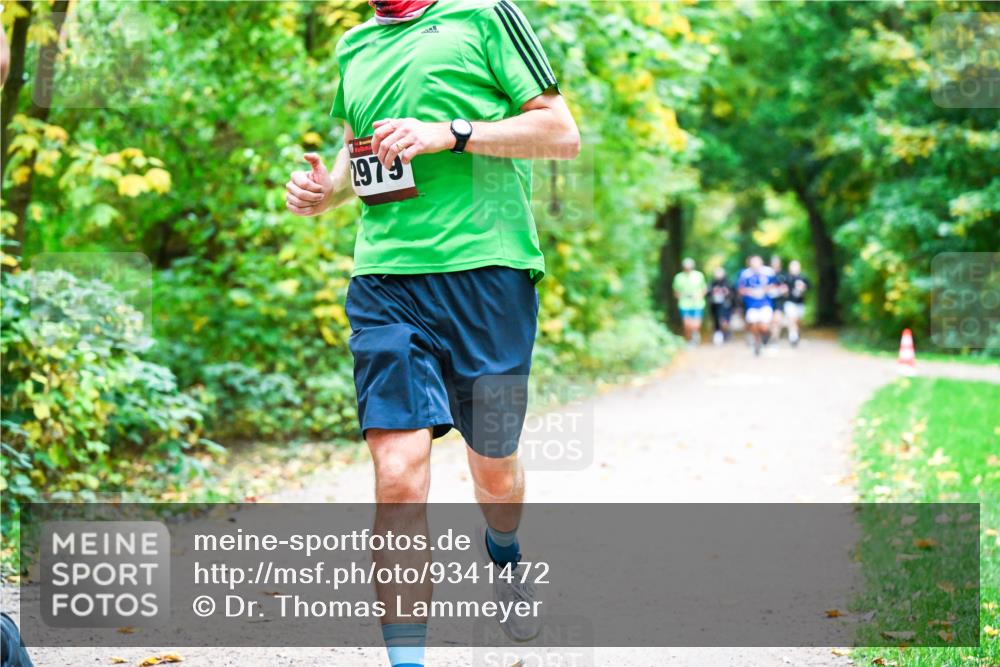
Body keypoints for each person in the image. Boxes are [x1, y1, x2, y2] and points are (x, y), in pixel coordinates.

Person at [285, 0, 579, 664]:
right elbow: (362, 151)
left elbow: (560, 132)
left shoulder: (486, 17)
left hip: (489, 275)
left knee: (495, 471)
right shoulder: (356, 45)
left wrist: (452, 131)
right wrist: (323, 190)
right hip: (385, 280)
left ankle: (504, 554)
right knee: (396, 470)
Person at [737, 255, 774, 356]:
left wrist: (765, 290)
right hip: (751, 304)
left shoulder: (769, 272)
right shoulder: (745, 274)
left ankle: (766, 335)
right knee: (753, 324)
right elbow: (740, 289)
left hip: (765, 303)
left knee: (764, 326)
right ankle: (757, 342)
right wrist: (750, 292)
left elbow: (775, 285)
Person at [672, 257, 707, 346]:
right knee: (687, 325)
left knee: (696, 324)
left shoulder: (699, 275)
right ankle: (690, 340)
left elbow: (704, 289)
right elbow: (676, 292)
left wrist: (699, 296)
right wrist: (683, 296)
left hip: (697, 304)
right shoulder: (678, 277)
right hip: (684, 304)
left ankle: (695, 335)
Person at [783, 260, 810, 347]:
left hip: (800, 303)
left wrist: (803, 288)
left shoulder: (803, 278)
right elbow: (782, 288)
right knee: (792, 318)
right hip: (789, 302)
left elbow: (809, 288)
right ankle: (792, 336)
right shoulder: (786, 277)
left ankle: (796, 333)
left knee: (798, 321)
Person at [707, 266, 735, 345]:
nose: (718, 274)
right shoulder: (711, 283)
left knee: (725, 322)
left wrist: (734, 306)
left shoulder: (728, 283)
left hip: (726, 305)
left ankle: (726, 333)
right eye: (716, 273)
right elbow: (708, 293)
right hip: (715, 306)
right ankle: (718, 334)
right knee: (716, 321)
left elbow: (733, 295)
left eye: (720, 272)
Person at [767, 255, 789, 345]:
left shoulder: (784, 275)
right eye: (773, 262)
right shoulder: (766, 274)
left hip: (779, 301)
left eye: (777, 262)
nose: (775, 264)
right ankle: (770, 336)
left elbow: (787, 290)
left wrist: (784, 290)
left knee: (777, 319)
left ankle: (774, 338)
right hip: (767, 301)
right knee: (769, 321)